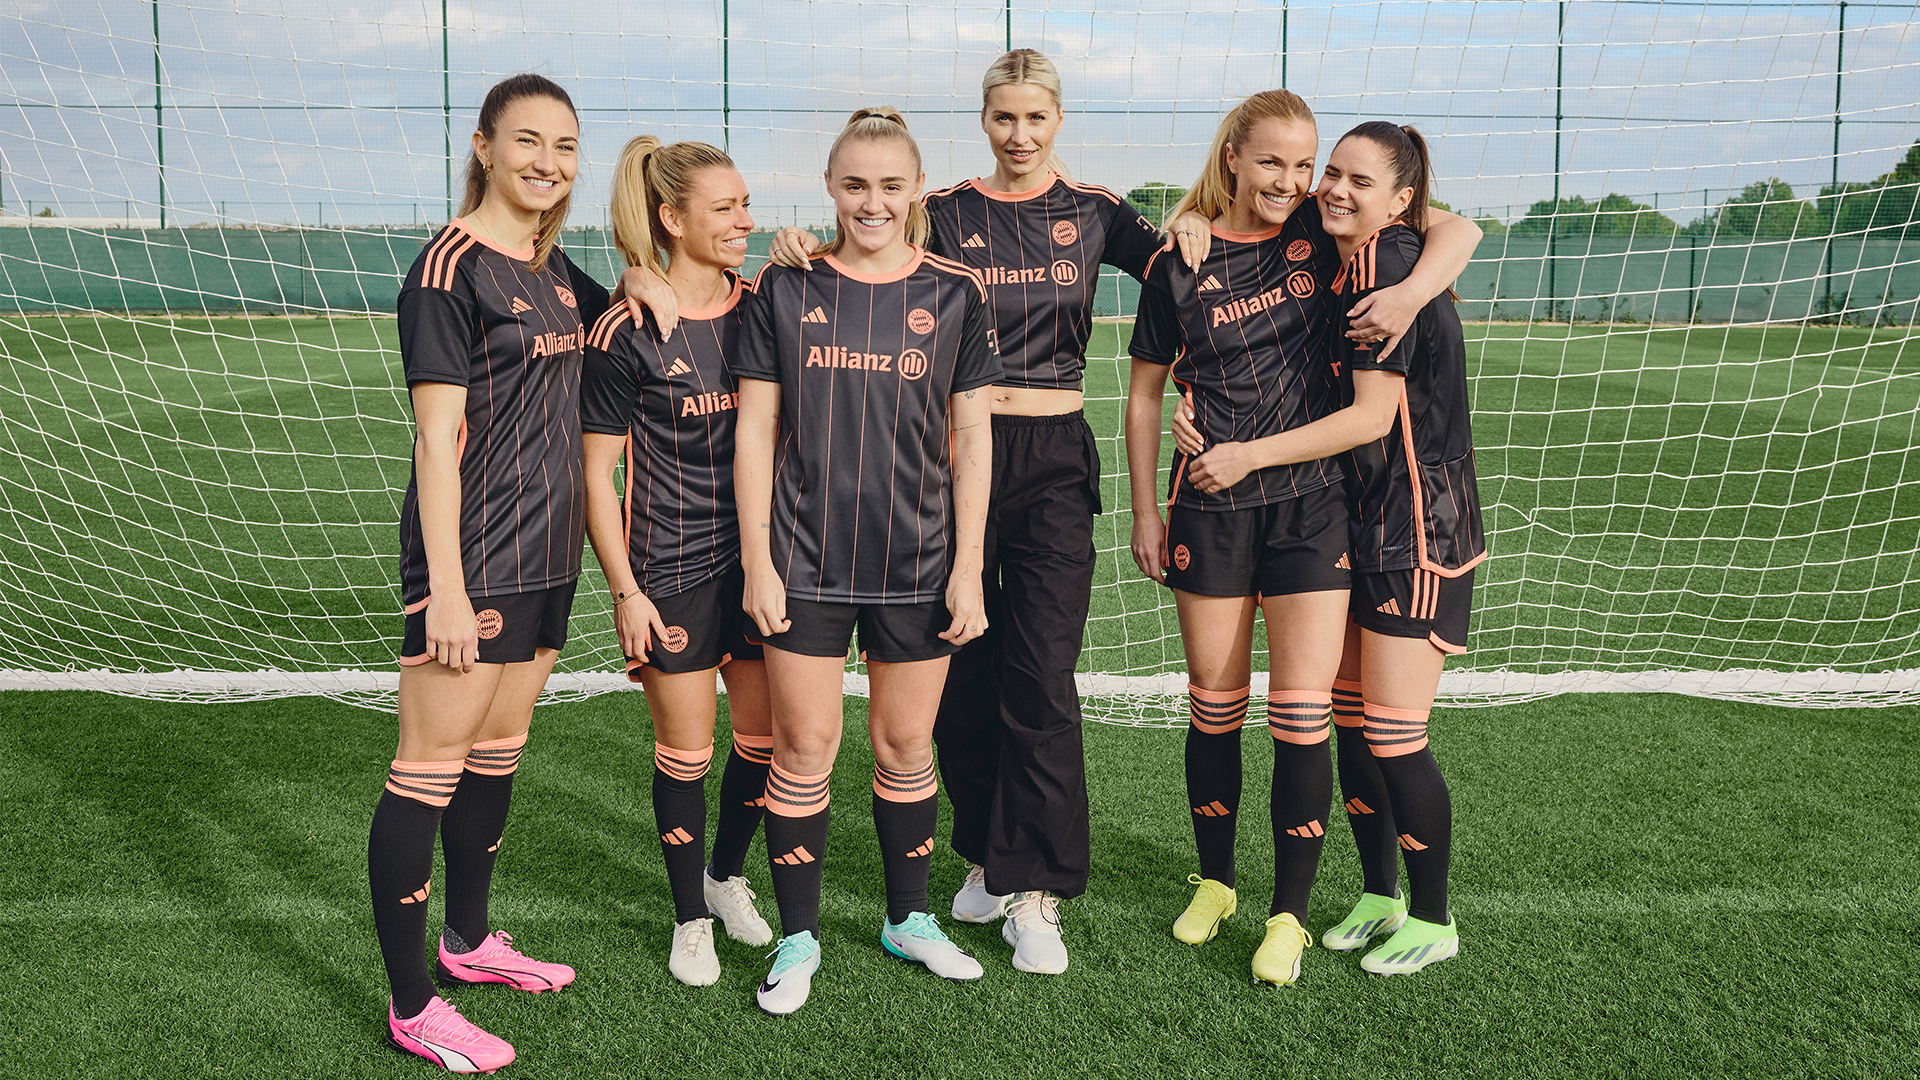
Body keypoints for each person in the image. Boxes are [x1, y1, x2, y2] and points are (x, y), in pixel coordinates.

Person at [765, 50, 1171, 974]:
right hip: (948, 466)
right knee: (960, 680)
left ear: (1058, 119)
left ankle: (1038, 888)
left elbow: (1189, 281)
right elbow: (859, 250)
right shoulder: (943, 209)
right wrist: (794, 245)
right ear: (983, 121)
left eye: (1035, 118)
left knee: (1040, 674)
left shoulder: (1098, 211)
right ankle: (989, 857)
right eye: (1003, 118)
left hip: (1053, 463)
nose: (1019, 136)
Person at [1125, 89, 1481, 987]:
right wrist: (1143, 507)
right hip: (1217, 503)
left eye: (1313, 164)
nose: (1305, 183)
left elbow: (1456, 226)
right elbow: (1142, 389)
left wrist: (1410, 290)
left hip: (1342, 511)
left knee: (1314, 714)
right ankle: (1229, 884)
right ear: (1235, 156)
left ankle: (1297, 912)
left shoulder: (1345, 247)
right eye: (1286, 164)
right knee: (1222, 702)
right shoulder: (1190, 254)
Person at [732, 106, 1000, 1016]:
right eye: (855, 185)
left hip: (919, 562)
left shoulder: (955, 292)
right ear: (830, 187)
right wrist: (758, 561)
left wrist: (967, 567)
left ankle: (907, 920)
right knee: (804, 747)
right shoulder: (785, 287)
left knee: (905, 743)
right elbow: (757, 429)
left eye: (890, 185)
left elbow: (971, 436)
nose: (872, 202)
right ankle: (798, 936)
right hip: (803, 561)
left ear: (916, 189)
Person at [375, 73, 608, 1072]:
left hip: (548, 555)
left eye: (563, 146)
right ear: (482, 146)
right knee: (425, 773)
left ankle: (468, 944)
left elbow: (650, 318)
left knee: (497, 752)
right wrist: (450, 589)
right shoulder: (449, 270)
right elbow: (435, 443)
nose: (546, 163)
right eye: (527, 142)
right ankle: (412, 1003)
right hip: (472, 562)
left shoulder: (556, 271)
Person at [580, 136, 778, 989]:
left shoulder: (769, 303)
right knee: (686, 752)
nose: (746, 221)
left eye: (745, 204)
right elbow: (595, 473)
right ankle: (688, 919)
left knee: (767, 744)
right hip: (669, 566)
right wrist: (625, 590)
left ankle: (723, 878)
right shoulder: (626, 329)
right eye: (727, 207)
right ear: (672, 217)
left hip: (769, 561)